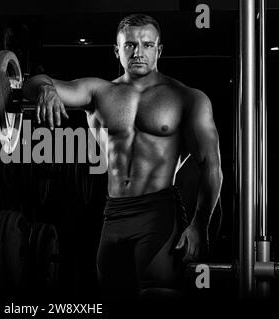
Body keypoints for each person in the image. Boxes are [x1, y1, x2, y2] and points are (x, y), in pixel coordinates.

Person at [22, 14, 223, 300]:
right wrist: (46, 90)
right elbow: (32, 84)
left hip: (159, 213)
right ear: (117, 50)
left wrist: (200, 226)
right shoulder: (99, 91)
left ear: (159, 50)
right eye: (129, 45)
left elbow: (211, 166)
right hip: (113, 214)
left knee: (157, 292)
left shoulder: (188, 98)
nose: (138, 52)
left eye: (146, 44)